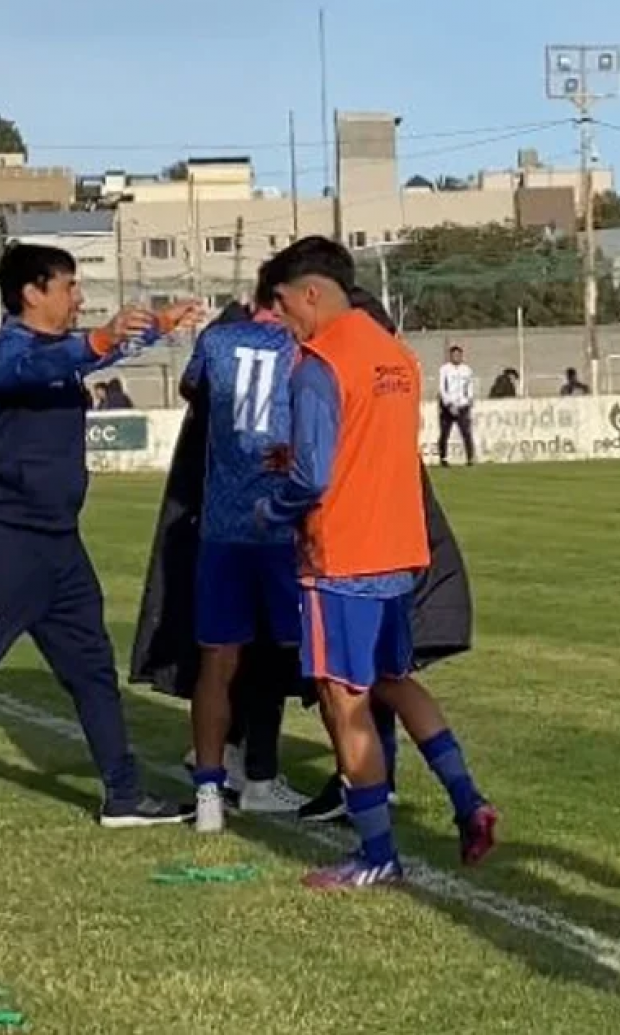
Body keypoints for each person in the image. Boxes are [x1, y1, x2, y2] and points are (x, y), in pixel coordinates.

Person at [0, 244, 199, 844]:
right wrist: (99, 339)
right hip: (5, 545)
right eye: (69, 286)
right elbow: (39, 366)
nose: (78, 297)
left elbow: (89, 355)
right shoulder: (6, 350)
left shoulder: (62, 354)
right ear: (32, 292)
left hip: (61, 547)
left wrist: (154, 328)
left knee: (93, 672)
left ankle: (123, 794)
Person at [258, 237, 496, 888]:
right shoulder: (395, 356)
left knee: (345, 702)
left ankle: (376, 854)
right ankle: (468, 799)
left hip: (341, 554)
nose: (280, 317)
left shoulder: (318, 364)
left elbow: (312, 476)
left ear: (310, 292)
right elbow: (368, 444)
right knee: (395, 679)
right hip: (399, 549)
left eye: (281, 303)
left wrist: (270, 510)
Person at [180, 270, 309, 831]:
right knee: (298, 657)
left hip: (222, 525)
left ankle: (209, 793)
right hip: (281, 525)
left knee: (218, 660)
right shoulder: (301, 345)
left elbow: (193, 390)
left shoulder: (216, 339)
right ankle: (282, 776)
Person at [437, 345, 477, 466]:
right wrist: (449, 404)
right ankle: (443, 458)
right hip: (448, 406)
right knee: (444, 433)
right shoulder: (445, 369)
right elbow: (442, 388)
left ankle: (470, 458)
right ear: (450, 356)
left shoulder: (467, 370)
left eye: (458, 355)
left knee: (466, 432)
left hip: (462, 405)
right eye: (454, 355)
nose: (456, 357)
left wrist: (469, 399)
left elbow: (469, 386)